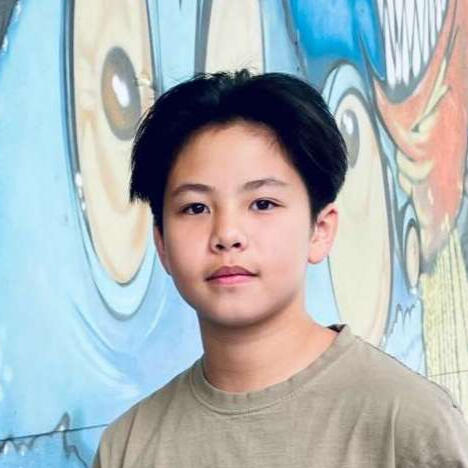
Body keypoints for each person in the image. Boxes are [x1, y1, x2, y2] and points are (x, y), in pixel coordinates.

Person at [92, 69, 468, 467]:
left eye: (263, 204)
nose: (227, 234)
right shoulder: (129, 448)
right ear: (162, 243)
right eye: (195, 208)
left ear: (320, 230)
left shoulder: (405, 423)